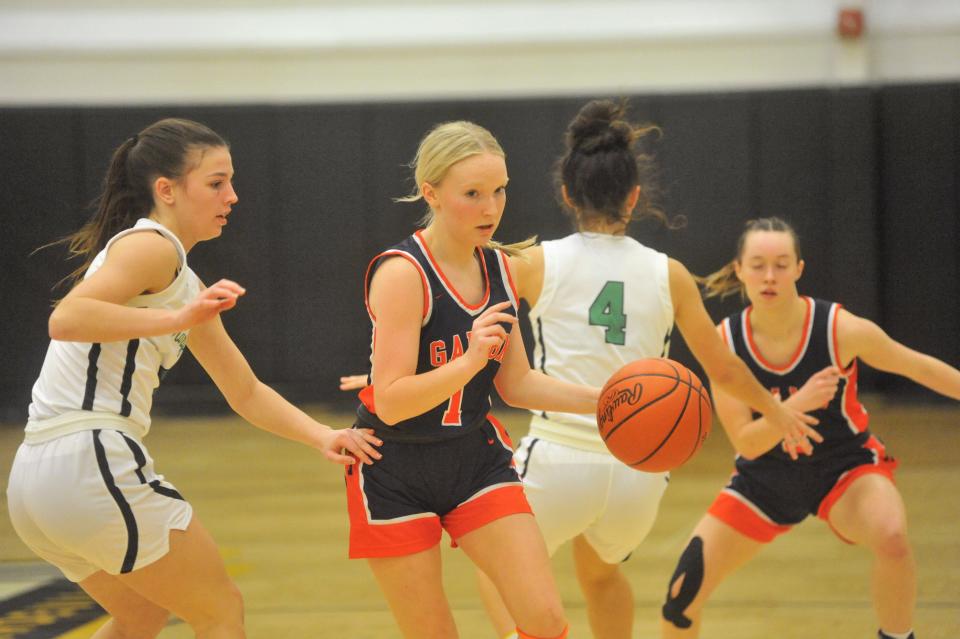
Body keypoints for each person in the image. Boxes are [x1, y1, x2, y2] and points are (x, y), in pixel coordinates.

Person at [6, 118, 382, 639]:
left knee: (141, 613)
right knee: (220, 611)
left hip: (37, 480)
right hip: (87, 458)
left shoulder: (182, 279)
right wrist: (178, 320)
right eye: (215, 182)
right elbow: (65, 320)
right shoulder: (151, 246)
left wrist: (324, 435)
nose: (231, 195)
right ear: (166, 190)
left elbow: (245, 391)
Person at [462, 100, 819, 639]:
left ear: (566, 193)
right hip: (641, 471)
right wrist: (777, 410)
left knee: (494, 570)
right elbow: (722, 366)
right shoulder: (668, 274)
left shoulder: (534, 263)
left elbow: (463, 322)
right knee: (601, 575)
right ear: (634, 197)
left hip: (559, 457)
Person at [346, 119, 615, 639]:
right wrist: (468, 363)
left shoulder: (500, 268)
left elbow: (517, 384)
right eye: (473, 193)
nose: (491, 208)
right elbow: (392, 402)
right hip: (393, 466)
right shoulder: (403, 273)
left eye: (500, 191)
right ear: (433, 193)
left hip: (474, 458)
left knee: (545, 619)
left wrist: (605, 401)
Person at [659, 217, 960, 639]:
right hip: (764, 479)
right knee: (680, 596)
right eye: (758, 264)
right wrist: (795, 405)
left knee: (891, 536)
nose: (769, 276)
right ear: (739, 269)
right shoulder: (724, 343)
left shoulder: (838, 329)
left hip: (844, 468)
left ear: (799, 269)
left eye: (781, 264)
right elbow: (747, 442)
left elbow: (916, 365)